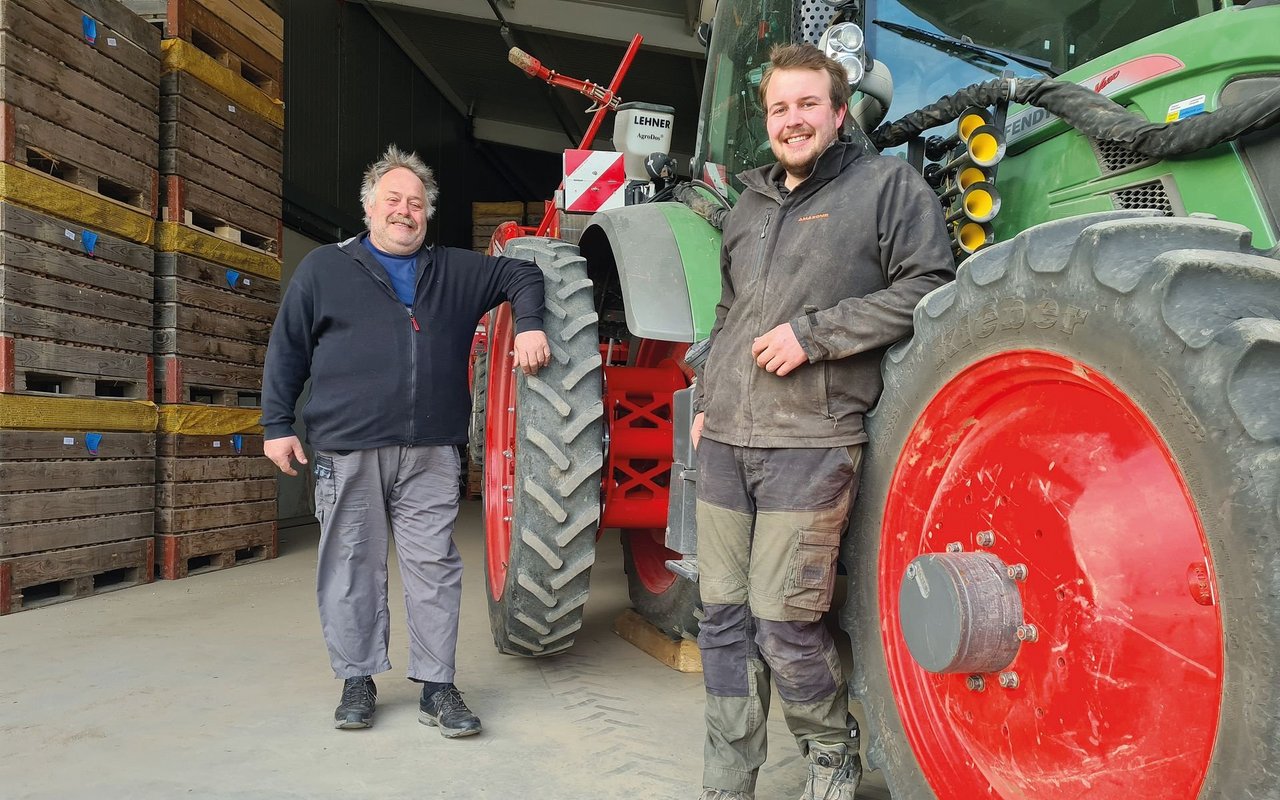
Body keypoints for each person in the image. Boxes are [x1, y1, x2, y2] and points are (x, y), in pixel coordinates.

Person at [690, 44, 955, 800]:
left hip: (811, 441)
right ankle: (728, 779)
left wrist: (816, 334)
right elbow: (728, 314)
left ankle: (830, 752)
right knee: (722, 619)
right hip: (727, 442)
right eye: (780, 108)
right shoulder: (746, 206)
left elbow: (931, 287)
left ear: (840, 113)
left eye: (809, 104)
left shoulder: (885, 188)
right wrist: (708, 402)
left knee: (782, 620)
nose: (792, 119)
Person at [261, 144, 550, 738]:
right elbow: (287, 347)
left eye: (415, 203)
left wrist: (530, 324)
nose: (404, 211)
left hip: (431, 451)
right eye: (393, 200)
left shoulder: (453, 269)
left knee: (434, 567)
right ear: (369, 209)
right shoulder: (324, 269)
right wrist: (276, 425)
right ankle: (357, 679)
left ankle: (437, 687)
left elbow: (522, 270)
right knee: (351, 565)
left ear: (428, 215)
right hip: (348, 447)